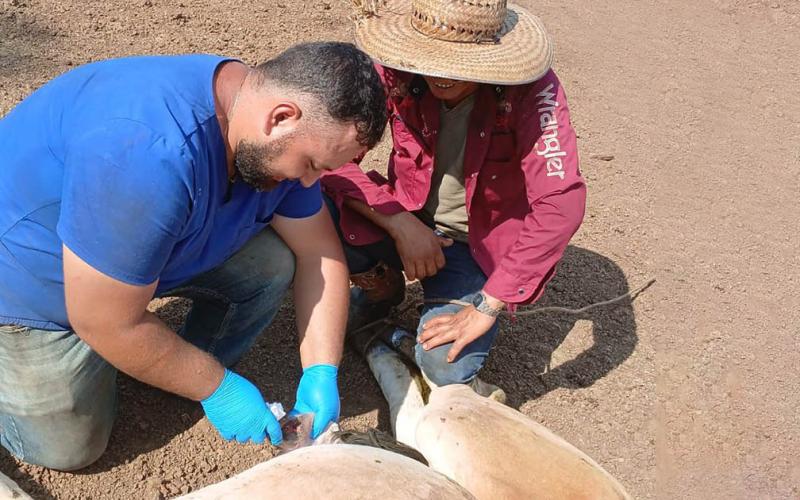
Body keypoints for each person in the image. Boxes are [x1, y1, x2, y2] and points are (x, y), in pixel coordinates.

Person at [0, 42, 387, 471]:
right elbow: (100, 318)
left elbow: (318, 252)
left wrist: (321, 369)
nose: (310, 180)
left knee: (271, 263)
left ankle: (165, 359)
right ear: (280, 117)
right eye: (312, 163)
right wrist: (215, 387)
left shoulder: (258, 118)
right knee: (67, 448)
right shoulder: (148, 153)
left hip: (135, 250)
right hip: (30, 280)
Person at [322, 0, 586, 395]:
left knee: (444, 367)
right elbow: (328, 156)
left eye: (458, 64)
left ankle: (419, 324)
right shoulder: (395, 71)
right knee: (311, 206)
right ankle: (381, 284)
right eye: (433, 59)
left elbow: (560, 203)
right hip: (405, 218)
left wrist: (489, 304)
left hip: (472, 246)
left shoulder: (531, 92)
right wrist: (399, 221)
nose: (440, 76)